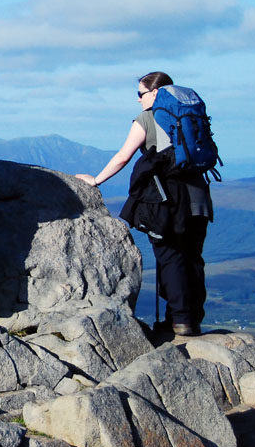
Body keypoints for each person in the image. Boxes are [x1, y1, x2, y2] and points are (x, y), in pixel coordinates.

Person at [75, 71, 213, 337]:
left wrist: (96, 180)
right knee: (193, 258)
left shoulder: (148, 119)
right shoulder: (190, 117)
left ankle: (181, 322)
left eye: (140, 94)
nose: (138, 100)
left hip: (168, 201)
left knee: (170, 256)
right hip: (199, 199)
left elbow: (123, 157)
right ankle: (189, 319)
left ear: (155, 93)